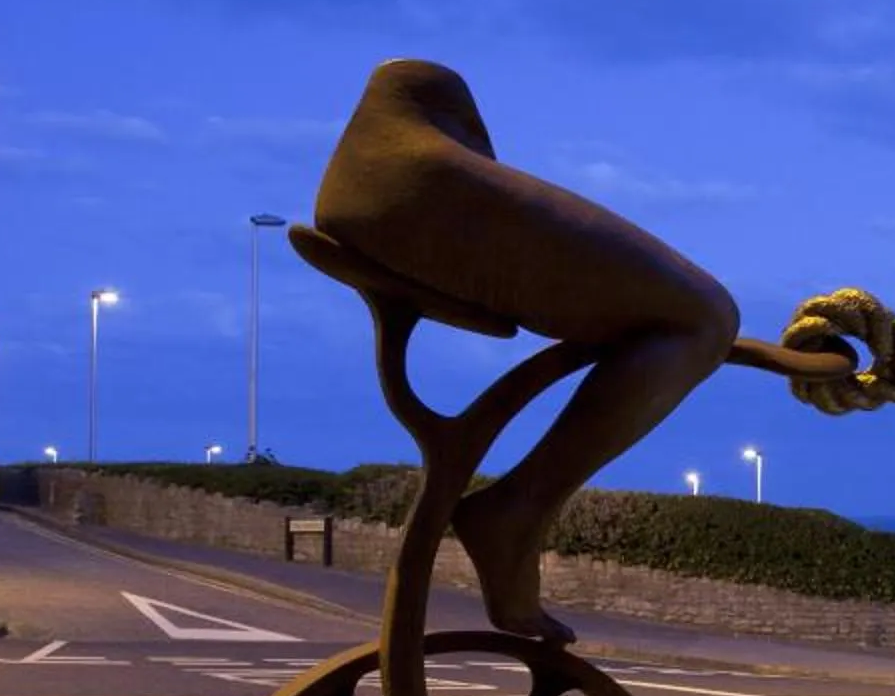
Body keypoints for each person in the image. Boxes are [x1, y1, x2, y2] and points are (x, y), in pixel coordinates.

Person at [310, 59, 743, 643]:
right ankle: (516, 510)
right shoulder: (427, 161)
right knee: (707, 316)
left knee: (697, 322)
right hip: (404, 181)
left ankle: (514, 512)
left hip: (379, 177)